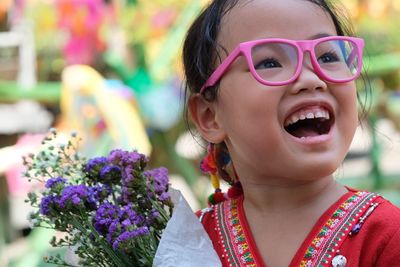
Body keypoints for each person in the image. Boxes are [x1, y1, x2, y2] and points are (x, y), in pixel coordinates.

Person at [182, 0, 400, 266]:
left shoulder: (387, 235)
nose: (311, 79)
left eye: (328, 57)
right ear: (209, 116)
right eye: (270, 62)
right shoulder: (190, 242)